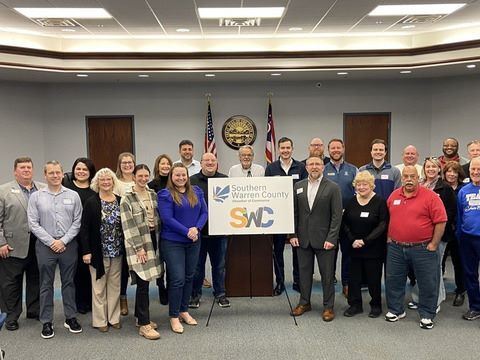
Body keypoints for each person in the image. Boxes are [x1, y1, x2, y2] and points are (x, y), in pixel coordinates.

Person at [385, 166, 447, 330]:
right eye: (406, 176)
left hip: (423, 248)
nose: (409, 179)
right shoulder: (394, 195)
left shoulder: (431, 197)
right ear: (402, 178)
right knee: (393, 280)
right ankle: (396, 310)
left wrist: (434, 244)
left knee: (428, 282)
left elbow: (441, 221)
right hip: (396, 248)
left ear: (419, 177)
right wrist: (389, 238)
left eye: (413, 176)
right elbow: (388, 218)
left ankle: (427, 314)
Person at [27, 161, 83, 339]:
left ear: (62, 174)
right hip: (45, 246)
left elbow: (77, 222)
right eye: (51, 173)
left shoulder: (73, 195)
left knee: (69, 282)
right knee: (46, 284)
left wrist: (63, 240)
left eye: (58, 172)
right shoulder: (36, 196)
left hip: (68, 245)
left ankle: (70, 317)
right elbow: (33, 224)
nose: (55, 175)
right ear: (45, 175)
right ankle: (46, 321)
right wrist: (52, 241)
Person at [289, 156, 342, 321]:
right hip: (303, 239)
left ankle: (328, 307)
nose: (314, 167)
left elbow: (336, 216)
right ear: (306, 167)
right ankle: (304, 302)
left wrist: (332, 238)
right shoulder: (298, 186)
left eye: (317, 164)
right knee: (304, 273)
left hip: (325, 240)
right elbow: (294, 213)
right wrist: (293, 234)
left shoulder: (333, 187)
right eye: (311, 164)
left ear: (323, 167)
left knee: (327, 275)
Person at [158, 163, 207, 334]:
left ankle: (184, 311)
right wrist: (187, 231)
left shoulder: (197, 191)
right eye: (177, 175)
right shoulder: (165, 194)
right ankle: (173, 316)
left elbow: (204, 213)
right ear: (171, 176)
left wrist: (197, 229)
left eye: (183, 175)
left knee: (189, 277)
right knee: (177, 279)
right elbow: (167, 218)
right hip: (173, 242)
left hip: (194, 240)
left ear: (187, 175)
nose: (180, 178)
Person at [0, 157, 45, 331]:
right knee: (11, 283)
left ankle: (34, 310)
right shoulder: (3, 191)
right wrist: (1, 243)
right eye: (22, 167)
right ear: (15, 171)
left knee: (36, 279)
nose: (26, 170)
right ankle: (10, 316)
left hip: (38, 244)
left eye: (29, 167)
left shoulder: (43, 188)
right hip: (12, 245)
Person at [120, 164, 163, 340]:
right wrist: (139, 248)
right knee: (143, 282)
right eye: (140, 176)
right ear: (134, 176)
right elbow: (128, 226)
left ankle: (139, 317)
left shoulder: (153, 195)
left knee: (147, 281)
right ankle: (144, 325)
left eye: (146, 176)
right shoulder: (127, 199)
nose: (144, 179)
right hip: (138, 242)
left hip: (154, 239)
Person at [409, 157, 456, 312]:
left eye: (433, 167)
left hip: (438, 236)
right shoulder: (419, 185)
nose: (430, 169)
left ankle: (434, 301)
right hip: (419, 237)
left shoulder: (445, 188)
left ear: (439, 169)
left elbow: (448, 214)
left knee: (434, 270)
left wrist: (434, 232)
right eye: (428, 166)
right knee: (420, 269)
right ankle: (418, 298)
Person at [80, 168, 123, 332]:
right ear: (97, 183)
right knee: (98, 288)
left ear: (113, 182)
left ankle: (113, 318)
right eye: (102, 180)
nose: (106, 182)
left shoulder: (120, 200)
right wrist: (86, 251)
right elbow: (84, 229)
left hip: (117, 251)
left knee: (115, 286)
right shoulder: (92, 202)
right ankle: (100, 321)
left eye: (109, 179)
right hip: (98, 252)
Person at [342, 171, 387, 318]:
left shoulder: (380, 201)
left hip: (373, 248)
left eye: (365, 184)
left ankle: (375, 305)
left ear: (371, 185)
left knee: (373, 278)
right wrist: (352, 239)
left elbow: (382, 224)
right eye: (358, 184)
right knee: (354, 278)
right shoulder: (351, 201)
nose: (361, 187)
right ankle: (355, 305)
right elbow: (344, 223)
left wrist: (365, 241)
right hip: (354, 247)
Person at [265, 137, 307, 295]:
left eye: (288, 148)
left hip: (298, 215)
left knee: (298, 250)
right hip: (278, 216)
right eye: (282, 148)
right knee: (278, 250)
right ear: (278, 149)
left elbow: (305, 189)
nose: (285, 150)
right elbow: (267, 191)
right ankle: (280, 282)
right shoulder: (271, 168)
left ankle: (298, 281)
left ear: (292, 149)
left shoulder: (301, 167)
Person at [189, 153, 230, 308]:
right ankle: (195, 295)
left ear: (216, 163)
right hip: (199, 232)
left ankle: (220, 294)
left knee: (219, 265)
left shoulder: (224, 179)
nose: (210, 162)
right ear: (201, 163)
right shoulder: (192, 181)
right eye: (207, 160)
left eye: (213, 160)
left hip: (220, 232)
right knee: (197, 267)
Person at [323, 138, 358, 297]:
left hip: (348, 220)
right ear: (328, 150)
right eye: (333, 148)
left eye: (338, 147)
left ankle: (347, 283)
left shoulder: (353, 170)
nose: (336, 150)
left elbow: (359, 193)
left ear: (343, 149)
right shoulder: (323, 169)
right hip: (328, 220)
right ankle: (329, 283)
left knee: (348, 253)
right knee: (329, 253)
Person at [63, 157, 96, 315]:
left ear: (90, 172)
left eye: (85, 169)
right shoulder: (66, 188)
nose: (81, 172)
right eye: (78, 169)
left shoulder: (95, 189)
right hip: (71, 235)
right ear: (73, 170)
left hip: (91, 236)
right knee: (75, 270)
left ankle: (91, 301)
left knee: (90, 270)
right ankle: (79, 302)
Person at [456, 156, 480, 321]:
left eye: (479, 169)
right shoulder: (464, 190)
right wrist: (459, 236)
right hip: (467, 238)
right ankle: (475, 307)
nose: (476, 172)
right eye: (473, 169)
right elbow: (459, 215)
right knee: (470, 274)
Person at [148, 154, 173, 305]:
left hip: (172, 229)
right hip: (157, 229)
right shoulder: (151, 185)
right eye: (162, 164)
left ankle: (171, 288)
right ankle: (161, 287)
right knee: (159, 260)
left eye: (167, 164)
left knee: (171, 261)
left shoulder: (174, 183)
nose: (165, 166)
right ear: (157, 166)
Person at [442, 161, 467, 306]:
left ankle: (460, 291)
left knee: (459, 262)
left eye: (454, 172)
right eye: (448, 171)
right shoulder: (441, 188)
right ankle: (439, 291)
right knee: (440, 262)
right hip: (444, 230)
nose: (451, 174)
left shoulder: (464, 188)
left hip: (459, 231)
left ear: (459, 174)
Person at [114, 152, 135, 316]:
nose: (127, 165)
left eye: (130, 162)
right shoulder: (115, 182)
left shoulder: (139, 180)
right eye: (124, 163)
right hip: (120, 230)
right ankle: (122, 298)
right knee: (122, 268)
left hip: (138, 230)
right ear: (119, 165)